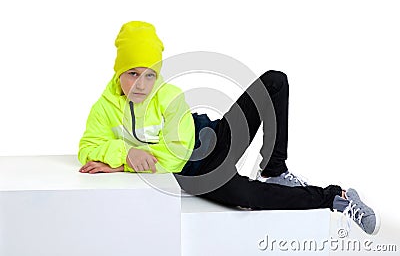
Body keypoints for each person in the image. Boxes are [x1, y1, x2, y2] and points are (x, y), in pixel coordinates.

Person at [78, 21, 380, 235]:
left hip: (212, 141)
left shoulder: (170, 97)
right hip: (196, 177)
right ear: (119, 72)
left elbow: (176, 153)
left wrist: (124, 164)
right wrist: (125, 152)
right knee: (247, 198)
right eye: (132, 74)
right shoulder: (104, 108)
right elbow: (87, 148)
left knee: (274, 80)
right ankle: (336, 197)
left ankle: (275, 170)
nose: (141, 85)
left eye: (149, 75)